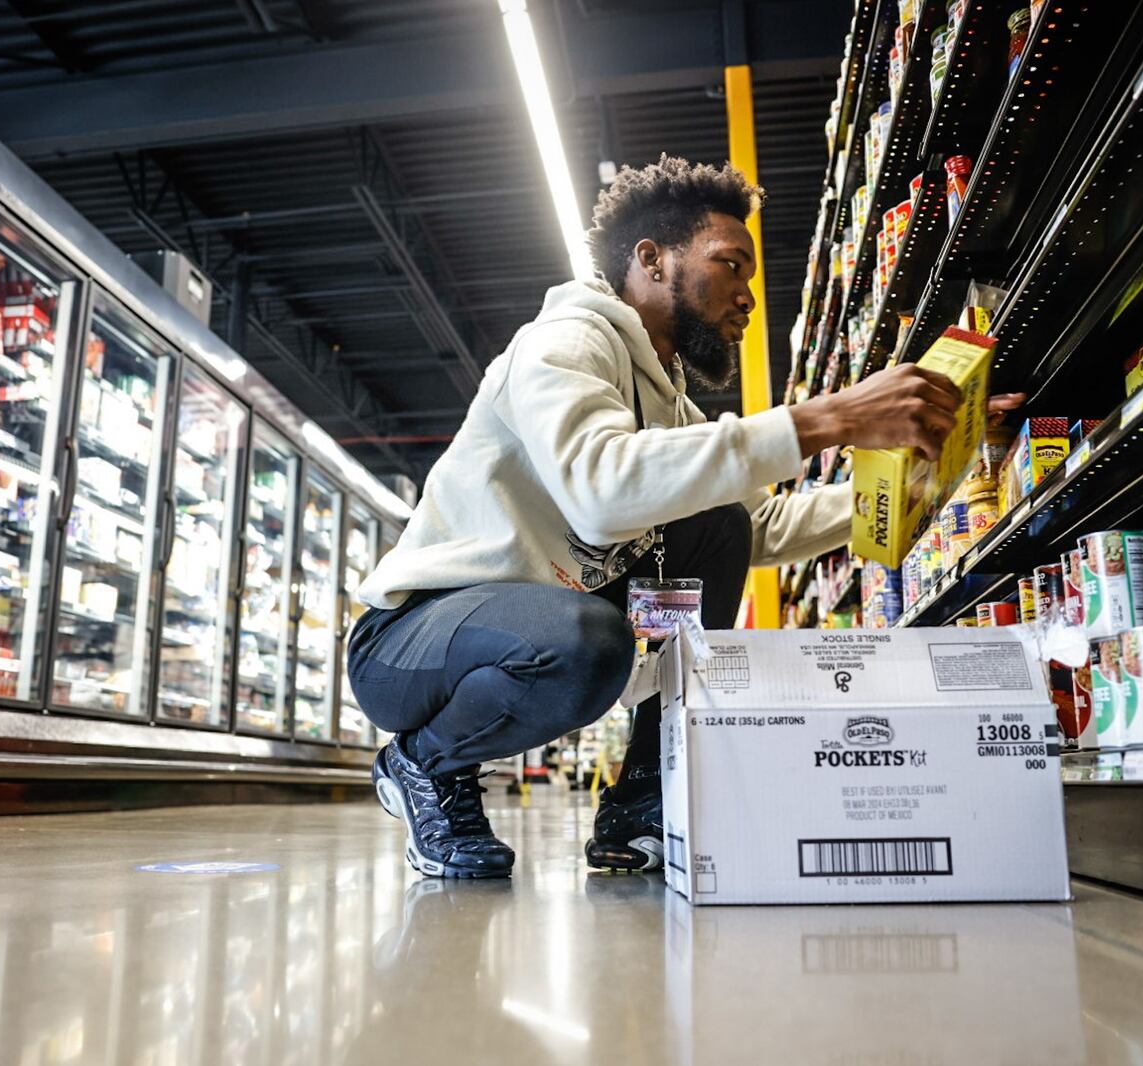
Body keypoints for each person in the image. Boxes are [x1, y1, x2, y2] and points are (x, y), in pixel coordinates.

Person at [348, 155, 1023, 879]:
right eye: (730, 265)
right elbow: (602, 492)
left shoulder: (668, 400)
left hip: (539, 623)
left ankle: (641, 795)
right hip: (413, 645)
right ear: (651, 260)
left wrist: (933, 474)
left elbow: (761, 531)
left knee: (718, 527)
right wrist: (826, 418)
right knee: (588, 641)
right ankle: (420, 764)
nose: (746, 298)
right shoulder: (563, 344)